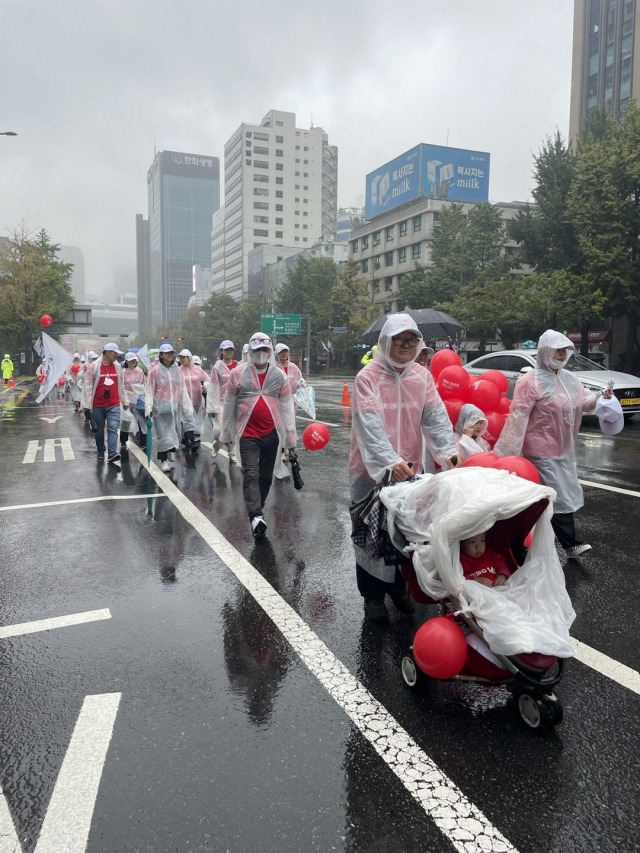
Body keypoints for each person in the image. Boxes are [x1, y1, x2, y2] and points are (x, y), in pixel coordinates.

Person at [350, 313, 459, 622]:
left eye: (412, 340)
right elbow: (368, 426)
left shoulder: (421, 377)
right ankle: (372, 597)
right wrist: (389, 461)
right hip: (369, 471)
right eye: (400, 340)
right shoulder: (367, 378)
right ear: (386, 342)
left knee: (406, 534)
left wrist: (448, 452)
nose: (406, 346)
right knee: (370, 535)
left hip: (410, 470)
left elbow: (436, 417)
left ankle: (399, 588)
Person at [494, 329, 613, 558]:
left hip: (564, 450)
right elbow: (518, 417)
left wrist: (600, 397)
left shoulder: (569, 378)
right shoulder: (530, 382)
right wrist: (506, 453)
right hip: (539, 450)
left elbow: (583, 403)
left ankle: (515, 544)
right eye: (556, 350)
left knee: (537, 500)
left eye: (564, 350)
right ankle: (571, 543)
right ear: (545, 350)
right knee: (557, 496)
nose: (560, 355)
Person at [221, 332, 297, 539]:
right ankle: (255, 515)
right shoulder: (237, 375)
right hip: (247, 434)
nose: (261, 354)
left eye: (265, 350)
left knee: (265, 476)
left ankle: (258, 511)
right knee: (251, 473)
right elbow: (228, 405)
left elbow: (288, 407)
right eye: (257, 350)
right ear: (250, 350)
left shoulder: (279, 376)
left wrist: (291, 438)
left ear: (270, 351)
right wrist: (226, 431)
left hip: (272, 433)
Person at [145, 343, 196, 472]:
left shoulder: (177, 371)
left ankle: (172, 449)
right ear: (161, 355)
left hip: (174, 408)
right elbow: (149, 390)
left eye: (172, 353)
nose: (170, 355)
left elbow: (182, 389)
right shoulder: (155, 371)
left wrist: (186, 405)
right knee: (162, 436)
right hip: (160, 409)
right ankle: (163, 461)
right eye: (167, 353)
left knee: (175, 433)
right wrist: (149, 407)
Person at [81, 343, 129, 463]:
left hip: (114, 404)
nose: (116, 355)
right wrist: (86, 405)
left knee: (113, 428)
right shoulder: (94, 366)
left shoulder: (118, 367)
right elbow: (87, 385)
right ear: (108, 352)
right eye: (115, 353)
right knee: (99, 430)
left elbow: (121, 385)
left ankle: (112, 453)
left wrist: (125, 400)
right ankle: (101, 450)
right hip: (98, 405)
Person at [207, 339, 239, 461]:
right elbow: (213, 387)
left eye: (231, 349)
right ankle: (216, 446)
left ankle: (232, 453)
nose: (229, 352)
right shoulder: (217, 367)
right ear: (221, 351)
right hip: (221, 403)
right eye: (226, 350)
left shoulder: (238, 366)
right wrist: (212, 407)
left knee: (233, 430)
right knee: (219, 431)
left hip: (235, 403)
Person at [275, 343, 303, 465]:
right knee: (281, 428)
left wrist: (301, 384)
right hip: (277, 403)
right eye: (281, 352)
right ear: (277, 354)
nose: (284, 354)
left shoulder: (294, 368)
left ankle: (291, 449)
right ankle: (281, 450)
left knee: (290, 428)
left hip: (291, 403)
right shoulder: (274, 368)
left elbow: (299, 382)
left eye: (286, 351)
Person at [177, 348, 209, 450]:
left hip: (197, 399)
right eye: (180, 357)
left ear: (189, 357)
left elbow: (207, 380)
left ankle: (185, 438)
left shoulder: (198, 369)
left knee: (194, 420)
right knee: (188, 420)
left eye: (183, 357)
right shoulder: (178, 370)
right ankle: (192, 440)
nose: (182, 359)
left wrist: (205, 386)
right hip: (184, 401)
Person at [120, 352, 147, 453]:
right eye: (131, 361)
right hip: (127, 401)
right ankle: (123, 440)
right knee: (126, 420)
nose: (133, 362)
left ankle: (144, 442)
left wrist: (140, 391)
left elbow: (144, 384)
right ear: (126, 361)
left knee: (142, 421)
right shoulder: (122, 372)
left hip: (138, 400)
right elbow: (120, 386)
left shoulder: (139, 371)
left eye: (134, 360)